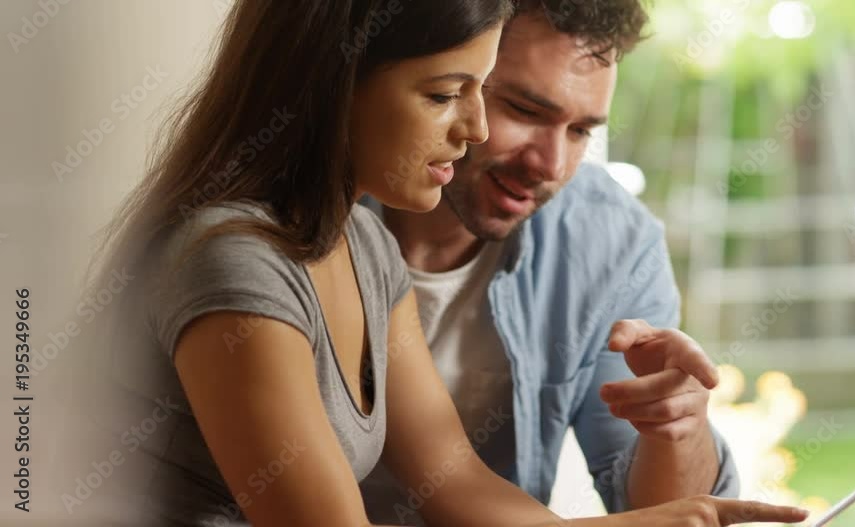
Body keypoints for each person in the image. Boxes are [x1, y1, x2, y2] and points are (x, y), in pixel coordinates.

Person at [71, 1, 808, 526]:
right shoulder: (237, 263)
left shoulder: (365, 249)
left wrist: (675, 498)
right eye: (451, 93)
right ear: (336, 82)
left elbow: (456, 483)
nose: (476, 126)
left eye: (582, 129)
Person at [360, 0, 744, 523]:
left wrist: (678, 429)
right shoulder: (314, 230)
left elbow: (655, 514)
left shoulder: (613, 244)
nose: (550, 164)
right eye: (524, 110)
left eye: (582, 130)